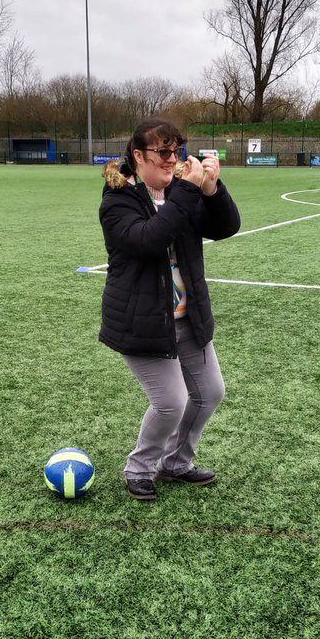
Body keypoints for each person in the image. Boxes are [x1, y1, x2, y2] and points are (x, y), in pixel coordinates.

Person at [98, 119, 241, 500]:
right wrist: (189, 193)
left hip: (188, 316)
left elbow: (227, 227)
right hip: (142, 321)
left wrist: (211, 190)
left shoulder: (182, 191)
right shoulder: (118, 201)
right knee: (171, 403)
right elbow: (150, 239)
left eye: (176, 150)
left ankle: (176, 463)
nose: (171, 159)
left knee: (210, 393)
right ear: (138, 156)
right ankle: (139, 469)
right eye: (162, 152)